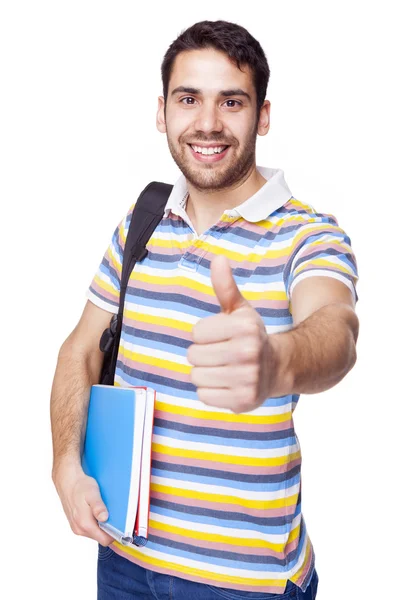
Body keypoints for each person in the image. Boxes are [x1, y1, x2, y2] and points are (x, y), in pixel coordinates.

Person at [50, 20, 358, 600]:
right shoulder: (141, 221)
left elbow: (336, 332)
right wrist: (64, 463)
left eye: (232, 101)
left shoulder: (308, 236)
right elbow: (80, 348)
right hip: (123, 557)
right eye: (189, 99)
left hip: (243, 583)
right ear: (162, 112)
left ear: (263, 116)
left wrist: (276, 361)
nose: (208, 123)